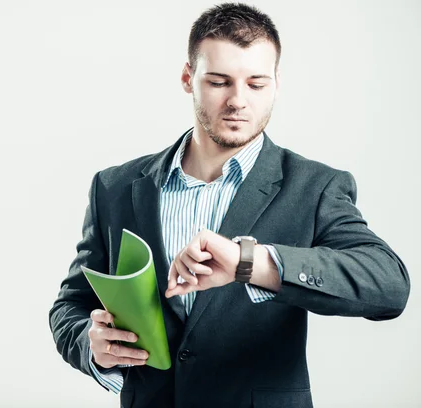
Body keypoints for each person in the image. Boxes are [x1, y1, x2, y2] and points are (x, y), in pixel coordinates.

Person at [48, 3, 411, 407]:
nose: (238, 101)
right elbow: (72, 305)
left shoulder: (315, 186)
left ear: (276, 82)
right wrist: (91, 345)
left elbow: (389, 286)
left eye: (256, 84)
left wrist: (251, 263)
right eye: (220, 82)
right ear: (189, 78)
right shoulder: (114, 187)